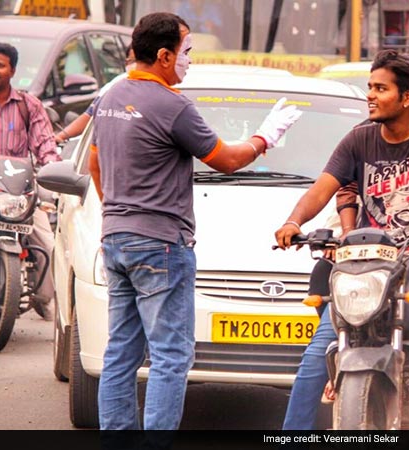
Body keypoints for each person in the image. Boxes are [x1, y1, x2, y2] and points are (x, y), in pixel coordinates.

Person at [89, 12, 301, 430]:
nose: (189, 60)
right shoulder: (172, 105)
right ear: (164, 55)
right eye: (186, 52)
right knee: (171, 354)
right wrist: (265, 137)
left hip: (116, 238)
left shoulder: (111, 96)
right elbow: (225, 160)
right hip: (162, 244)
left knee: (121, 352)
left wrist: (118, 211)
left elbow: (95, 162)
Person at [277, 50, 409, 430]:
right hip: (369, 266)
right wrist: (293, 221)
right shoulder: (358, 139)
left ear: (408, 97)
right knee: (319, 350)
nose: (371, 96)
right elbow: (323, 189)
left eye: (381, 88)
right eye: (370, 87)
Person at [0, 42, 60, 320]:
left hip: (17, 193)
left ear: (11, 71)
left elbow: (46, 146)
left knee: (48, 246)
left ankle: (44, 298)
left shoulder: (29, 106)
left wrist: (53, 171)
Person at [54, 45, 136, 144]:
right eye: (133, 61)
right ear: (126, 62)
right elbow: (90, 115)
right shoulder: (114, 86)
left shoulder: (157, 93)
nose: (137, 65)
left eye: (142, 60)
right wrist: (62, 136)